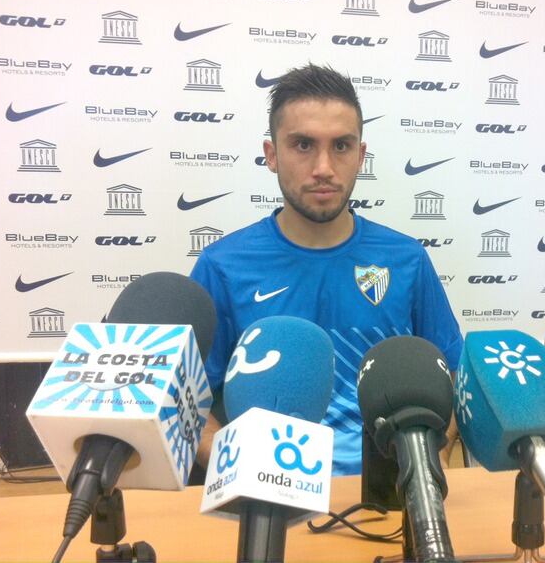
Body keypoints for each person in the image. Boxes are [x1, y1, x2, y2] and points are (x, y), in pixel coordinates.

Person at [191, 63, 463, 476]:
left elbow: (456, 375)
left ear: (360, 155)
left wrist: (430, 465)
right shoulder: (223, 266)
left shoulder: (406, 259)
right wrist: (235, 470)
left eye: (341, 146)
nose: (323, 167)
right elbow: (189, 403)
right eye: (302, 145)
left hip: (391, 496)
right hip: (269, 500)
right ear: (271, 155)